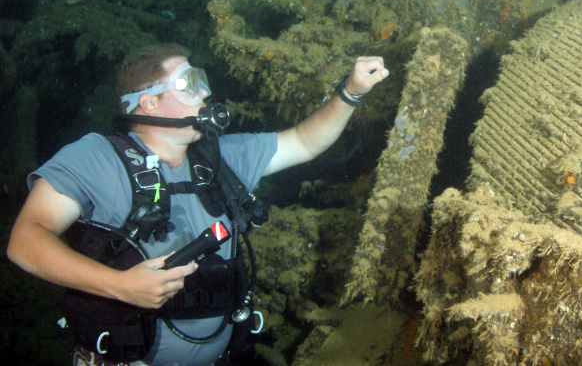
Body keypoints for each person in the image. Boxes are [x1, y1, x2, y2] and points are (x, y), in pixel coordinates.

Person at [6, 43, 389, 366]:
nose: (205, 93)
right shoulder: (95, 157)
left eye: (201, 81)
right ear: (148, 103)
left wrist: (350, 92)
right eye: (189, 85)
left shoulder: (219, 158)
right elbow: (25, 241)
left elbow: (305, 142)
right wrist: (120, 285)